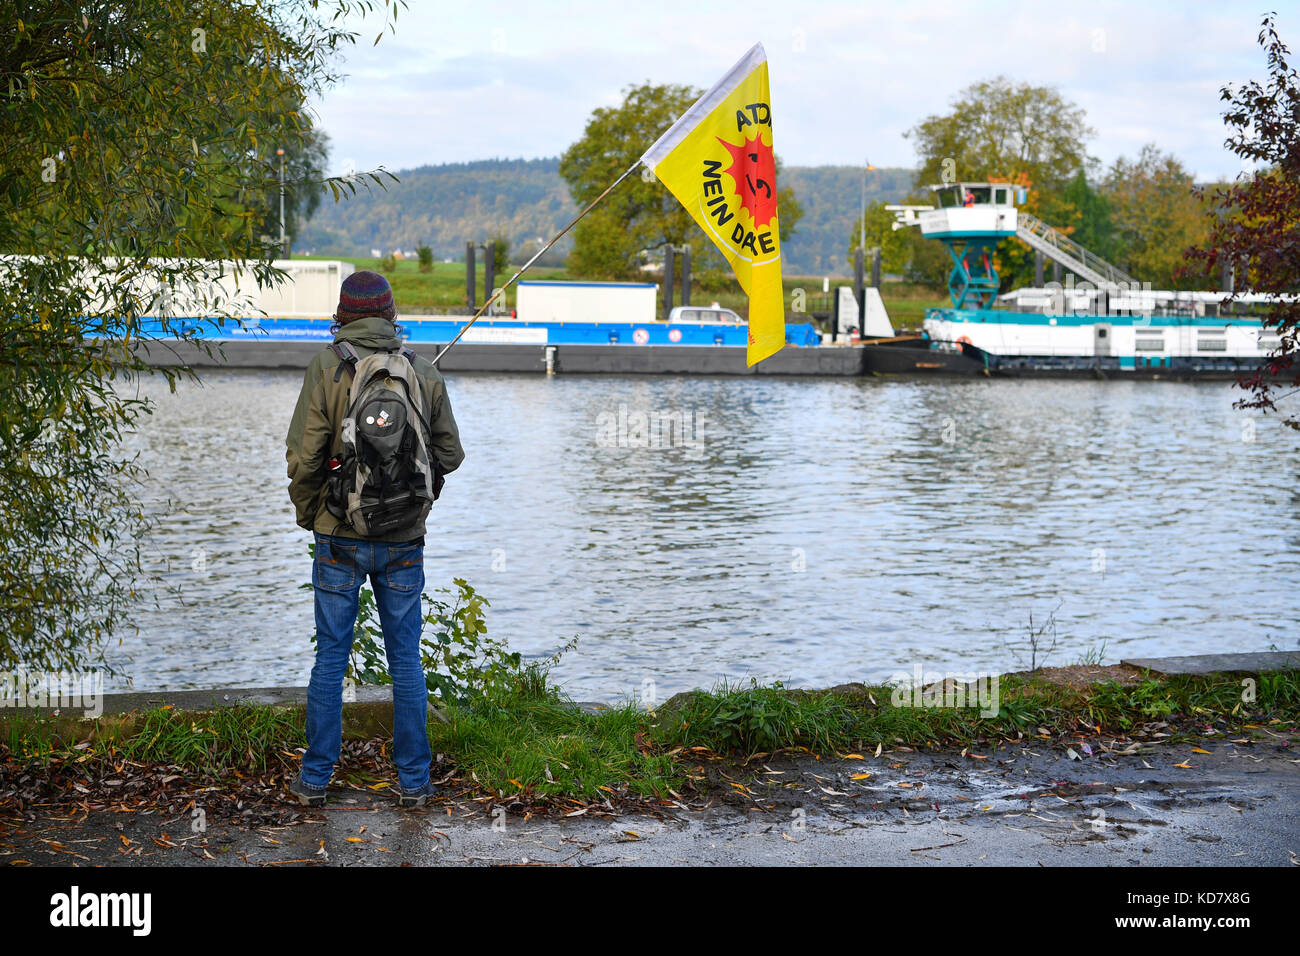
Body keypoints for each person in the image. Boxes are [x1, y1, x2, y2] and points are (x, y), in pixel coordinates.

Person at [284, 270, 464, 809]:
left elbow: (303, 457)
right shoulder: (422, 371)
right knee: (405, 660)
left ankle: (316, 779)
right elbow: (450, 455)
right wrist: (416, 496)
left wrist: (311, 516)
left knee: (330, 660)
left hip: (337, 535)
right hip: (404, 539)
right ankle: (414, 783)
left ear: (342, 313)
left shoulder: (326, 366)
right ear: (390, 312)